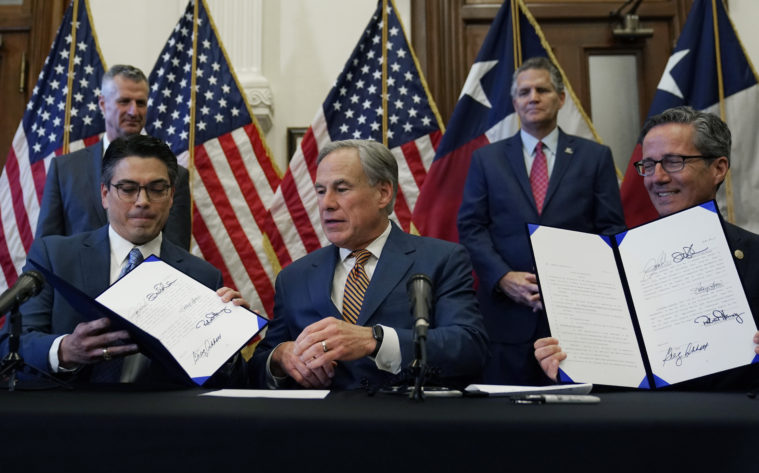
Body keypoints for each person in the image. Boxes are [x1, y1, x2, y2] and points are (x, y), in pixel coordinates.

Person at [535, 106, 759, 389]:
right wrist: (564, 363)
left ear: (718, 168)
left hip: (730, 425)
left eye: (674, 161)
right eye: (649, 165)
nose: (657, 178)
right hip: (633, 424)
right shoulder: (610, 259)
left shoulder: (755, 256)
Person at [0, 135, 243, 385]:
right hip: (68, 417)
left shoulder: (202, 277)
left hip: (163, 419)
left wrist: (229, 339)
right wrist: (65, 351)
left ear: (171, 197)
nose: (142, 201)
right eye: (128, 189)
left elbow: (222, 378)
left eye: (157, 189)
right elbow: (10, 344)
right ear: (105, 194)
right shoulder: (54, 257)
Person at [251, 139, 488, 390]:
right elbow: (257, 366)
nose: (327, 203)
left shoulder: (440, 259)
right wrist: (280, 358)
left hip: (405, 421)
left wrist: (376, 340)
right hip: (317, 424)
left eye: (341, 189)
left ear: (383, 193)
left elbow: (469, 347)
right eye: (320, 191)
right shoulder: (294, 277)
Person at [457, 57, 625, 385]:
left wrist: (580, 280)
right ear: (515, 102)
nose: (532, 97)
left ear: (560, 98)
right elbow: (471, 226)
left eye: (542, 90)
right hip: (505, 318)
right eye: (524, 92)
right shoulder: (486, 159)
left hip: (576, 318)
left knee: (573, 423)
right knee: (506, 420)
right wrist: (503, 276)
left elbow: (611, 230)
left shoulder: (595, 157)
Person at [35, 64, 191, 249]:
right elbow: (46, 247)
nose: (134, 111)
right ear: (103, 104)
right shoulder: (65, 170)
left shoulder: (175, 175)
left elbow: (177, 254)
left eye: (140, 103)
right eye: (124, 101)